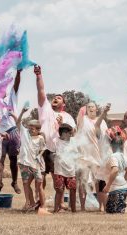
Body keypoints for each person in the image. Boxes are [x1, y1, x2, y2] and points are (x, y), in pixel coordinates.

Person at [34, 65, 76, 210]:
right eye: (55, 98)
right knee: (40, 178)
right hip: (40, 148)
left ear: (63, 104)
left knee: (57, 177)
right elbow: (41, 90)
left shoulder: (67, 116)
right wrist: (39, 76)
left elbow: (74, 132)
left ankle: (61, 203)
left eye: (59, 98)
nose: (55, 99)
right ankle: (41, 202)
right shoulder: (45, 108)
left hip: (56, 151)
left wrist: (62, 124)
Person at [12, 107, 50, 214]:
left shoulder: (40, 138)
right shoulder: (24, 134)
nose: (30, 130)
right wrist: (22, 112)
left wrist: (39, 155)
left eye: (32, 128)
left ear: (38, 130)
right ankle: (31, 203)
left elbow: (43, 148)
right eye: (29, 128)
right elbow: (18, 122)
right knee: (26, 184)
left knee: (39, 185)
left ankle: (43, 206)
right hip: (24, 163)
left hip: (35, 164)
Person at [76, 102, 108, 211]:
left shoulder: (102, 121)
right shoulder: (83, 119)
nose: (90, 108)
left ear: (96, 109)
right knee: (83, 181)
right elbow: (78, 125)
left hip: (97, 155)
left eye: (92, 106)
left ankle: (101, 206)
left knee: (98, 181)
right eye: (88, 107)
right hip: (84, 155)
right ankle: (82, 207)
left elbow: (104, 137)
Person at [0, 70, 22, 194]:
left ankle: (14, 182)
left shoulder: (11, 97)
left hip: (13, 132)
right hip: (1, 134)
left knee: (13, 159)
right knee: (0, 159)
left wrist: (18, 73)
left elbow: (16, 85)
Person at [103, 126, 127, 213]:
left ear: (112, 146)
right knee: (110, 210)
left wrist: (107, 185)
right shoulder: (123, 156)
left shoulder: (113, 156)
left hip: (116, 189)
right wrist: (124, 180)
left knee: (117, 211)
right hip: (123, 187)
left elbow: (115, 170)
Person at [53, 124, 78, 213]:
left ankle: (74, 211)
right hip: (59, 171)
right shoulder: (55, 141)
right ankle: (55, 210)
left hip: (71, 171)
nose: (71, 134)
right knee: (59, 190)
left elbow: (77, 154)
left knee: (73, 191)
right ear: (63, 133)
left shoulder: (73, 141)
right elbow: (51, 152)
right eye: (69, 133)